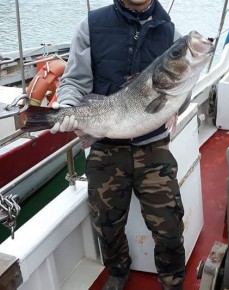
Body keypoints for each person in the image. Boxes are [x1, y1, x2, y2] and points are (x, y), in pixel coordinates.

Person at [50, 1, 187, 289]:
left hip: (153, 147)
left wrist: (177, 102)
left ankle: (172, 280)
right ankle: (118, 271)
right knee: (106, 224)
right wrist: (67, 106)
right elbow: (74, 81)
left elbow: (180, 92)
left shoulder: (171, 33)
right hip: (106, 145)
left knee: (170, 226)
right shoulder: (92, 25)